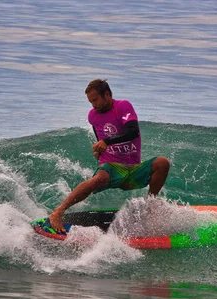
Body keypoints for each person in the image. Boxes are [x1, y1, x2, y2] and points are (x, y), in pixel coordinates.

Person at [48, 79, 170, 233]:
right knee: (99, 179)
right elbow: (100, 139)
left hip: (132, 169)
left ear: (106, 94)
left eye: (95, 100)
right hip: (111, 167)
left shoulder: (123, 106)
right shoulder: (93, 116)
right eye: (90, 102)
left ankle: (150, 206)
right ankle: (58, 212)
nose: (93, 105)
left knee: (162, 162)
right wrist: (98, 150)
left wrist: (106, 141)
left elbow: (132, 130)